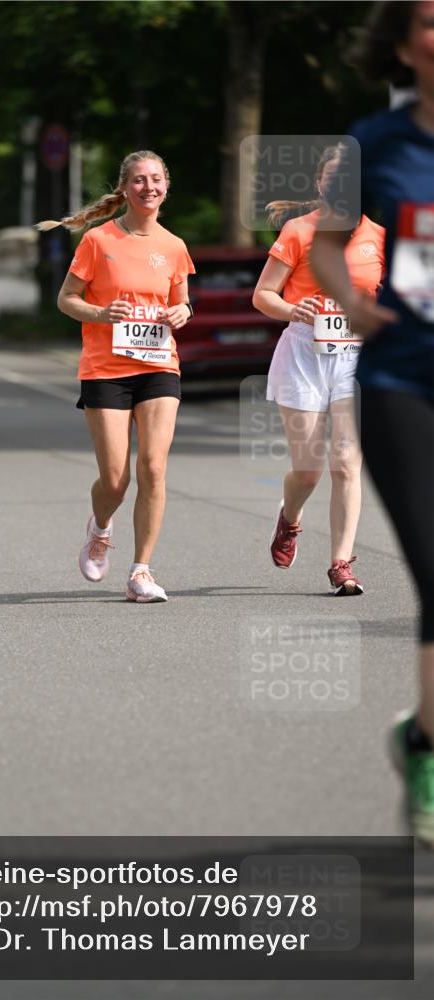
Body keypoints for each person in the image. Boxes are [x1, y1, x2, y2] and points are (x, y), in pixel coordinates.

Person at [310, 0, 434, 846]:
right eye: (428, 22)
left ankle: (419, 734)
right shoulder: (375, 145)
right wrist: (353, 300)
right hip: (401, 382)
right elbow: (325, 242)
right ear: (400, 44)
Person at [38, 150, 194, 602]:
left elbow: (182, 300)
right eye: (140, 180)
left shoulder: (174, 246)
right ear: (125, 188)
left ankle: (141, 571)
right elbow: (67, 299)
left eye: (157, 179)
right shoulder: (98, 241)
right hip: (106, 368)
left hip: (159, 364)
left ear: (167, 186)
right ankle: (100, 528)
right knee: (115, 479)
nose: (149, 187)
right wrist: (103, 313)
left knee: (154, 468)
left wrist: (182, 311)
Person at [252, 146, 385, 594]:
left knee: (347, 462)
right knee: (308, 470)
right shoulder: (299, 231)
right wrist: (293, 308)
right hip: (303, 354)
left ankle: (341, 564)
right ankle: (290, 518)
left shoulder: (379, 236)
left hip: (357, 358)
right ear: (319, 185)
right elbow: (263, 295)